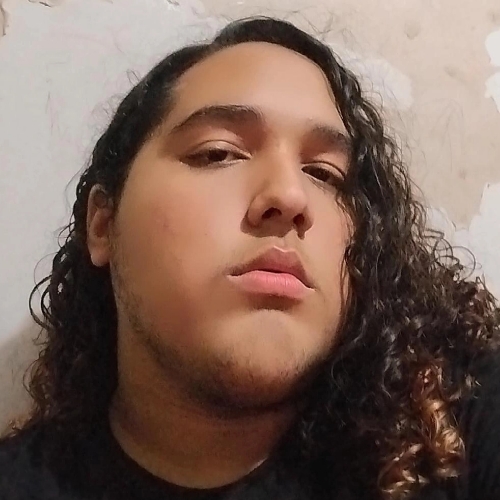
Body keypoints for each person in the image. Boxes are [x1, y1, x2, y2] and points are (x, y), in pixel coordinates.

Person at [0, 16, 499, 500]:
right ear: (102, 224)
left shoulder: (459, 425)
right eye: (218, 152)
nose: (289, 195)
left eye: (325, 174)